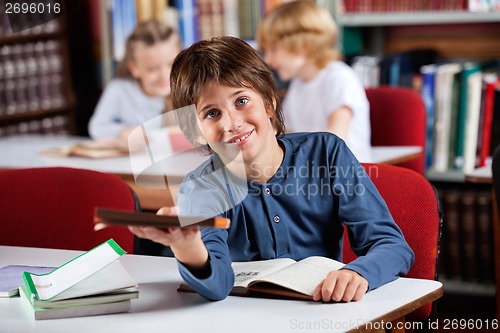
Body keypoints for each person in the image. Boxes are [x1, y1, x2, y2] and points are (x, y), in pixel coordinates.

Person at [128, 36, 414, 303]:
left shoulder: (326, 153)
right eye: (212, 113)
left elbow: (392, 247)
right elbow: (217, 286)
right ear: (197, 130)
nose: (232, 123)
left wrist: (358, 273)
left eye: (242, 101)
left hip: (324, 313)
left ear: (268, 102)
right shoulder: (201, 188)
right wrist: (187, 248)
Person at [256, 0, 372, 162]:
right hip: (313, 172)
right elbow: (287, 133)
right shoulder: (299, 83)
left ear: (303, 45)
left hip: (345, 177)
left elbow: (335, 137)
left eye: (273, 49)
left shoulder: (339, 77)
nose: (268, 60)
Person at [88, 20, 182, 147]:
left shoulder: (187, 90)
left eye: (171, 64)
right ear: (134, 68)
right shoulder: (118, 90)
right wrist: (123, 132)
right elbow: (96, 127)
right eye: (153, 68)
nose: (164, 75)